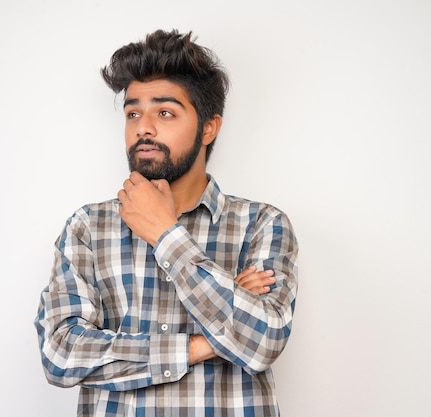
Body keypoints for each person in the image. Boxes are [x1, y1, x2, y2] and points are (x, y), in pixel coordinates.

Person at [34, 29, 299, 417]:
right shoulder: (87, 227)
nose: (143, 127)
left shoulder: (261, 224)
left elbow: (264, 341)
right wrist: (207, 341)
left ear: (209, 127)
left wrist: (164, 235)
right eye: (133, 113)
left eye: (165, 113)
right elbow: (61, 354)